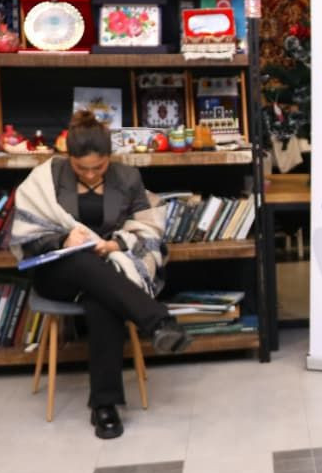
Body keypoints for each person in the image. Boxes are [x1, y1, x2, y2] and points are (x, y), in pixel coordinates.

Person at [10, 110, 192, 440]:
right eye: (82, 168)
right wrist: (63, 240)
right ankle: (157, 321)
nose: (92, 174)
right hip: (57, 273)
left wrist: (116, 243)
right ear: (68, 157)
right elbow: (27, 236)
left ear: (110, 157)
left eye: (100, 166)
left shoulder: (127, 177)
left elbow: (148, 227)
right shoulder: (46, 177)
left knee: (102, 300)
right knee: (82, 262)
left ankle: (104, 407)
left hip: (109, 270)